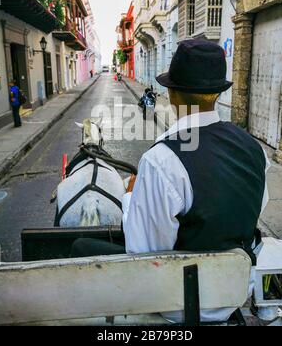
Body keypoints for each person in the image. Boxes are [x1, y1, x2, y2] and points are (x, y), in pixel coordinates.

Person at [71, 40, 270, 323]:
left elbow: (143, 252)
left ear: (172, 95)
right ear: (216, 94)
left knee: (81, 247)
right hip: (235, 289)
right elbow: (254, 205)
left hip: (180, 303)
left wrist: (130, 197)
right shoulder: (254, 149)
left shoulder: (161, 161)